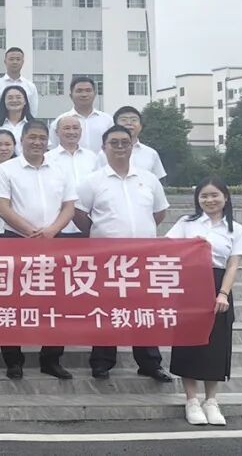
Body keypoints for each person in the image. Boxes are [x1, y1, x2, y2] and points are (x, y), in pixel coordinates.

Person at [74, 125, 173, 382]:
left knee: (145, 309)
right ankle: (102, 362)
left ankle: (149, 362)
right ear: (104, 147)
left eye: (125, 143)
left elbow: (159, 213)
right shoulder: (92, 181)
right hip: (107, 258)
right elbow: (79, 214)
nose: (120, 147)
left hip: (143, 257)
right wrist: (100, 232)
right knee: (106, 309)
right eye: (114, 143)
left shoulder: (148, 179)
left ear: (132, 146)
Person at [0, 121, 76, 380]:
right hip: (16, 240)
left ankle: (51, 359)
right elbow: (2, 208)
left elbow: (69, 207)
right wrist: (31, 232)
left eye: (41, 138)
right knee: (12, 302)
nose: (37, 142)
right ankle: (13, 361)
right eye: (32, 137)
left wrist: (51, 231)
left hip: (54, 240)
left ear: (48, 141)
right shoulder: (6, 170)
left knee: (55, 302)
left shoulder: (60, 170)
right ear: (22, 139)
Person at [167, 178, 242, 426]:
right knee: (188, 342)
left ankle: (211, 401)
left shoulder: (236, 229)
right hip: (190, 284)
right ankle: (191, 400)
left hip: (218, 284)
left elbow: (233, 265)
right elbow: (167, 248)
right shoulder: (186, 223)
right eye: (204, 196)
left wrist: (223, 293)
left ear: (225, 197)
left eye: (214, 195)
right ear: (197, 199)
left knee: (216, 343)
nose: (209, 200)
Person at [48, 116, 100, 234]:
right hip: (58, 226)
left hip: (89, 224)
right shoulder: (48, 158)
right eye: (67, 128)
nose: (72, 132)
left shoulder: (92, 157)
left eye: (75, 128)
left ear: (81, 131)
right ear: (57, 132)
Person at [97, 106, 167, 181]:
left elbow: (159, 180)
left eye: (134, 120)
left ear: (140, 126)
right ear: (115, 125)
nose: (129, 123)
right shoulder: (104, 154)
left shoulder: (151, 153)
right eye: (123, 120)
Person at [48, 76, 113, 152]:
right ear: (71, 96)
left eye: (88, 90)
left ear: (95, 94)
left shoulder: (107, 120)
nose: (84, 94)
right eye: (79, 91)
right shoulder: (60, 121)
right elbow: (53, 148)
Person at [0, 47, 39, 117]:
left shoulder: (30, 86)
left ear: (22, 62)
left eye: (18, 59)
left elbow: (33, 110)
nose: (15, 62)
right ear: (5, 62)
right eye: (11, 59)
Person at [0, 86, 36, 154]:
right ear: (4, 101)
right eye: (10, 98)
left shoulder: (34, 125)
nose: (14, 100)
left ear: (25, 101)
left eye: (18, 97)